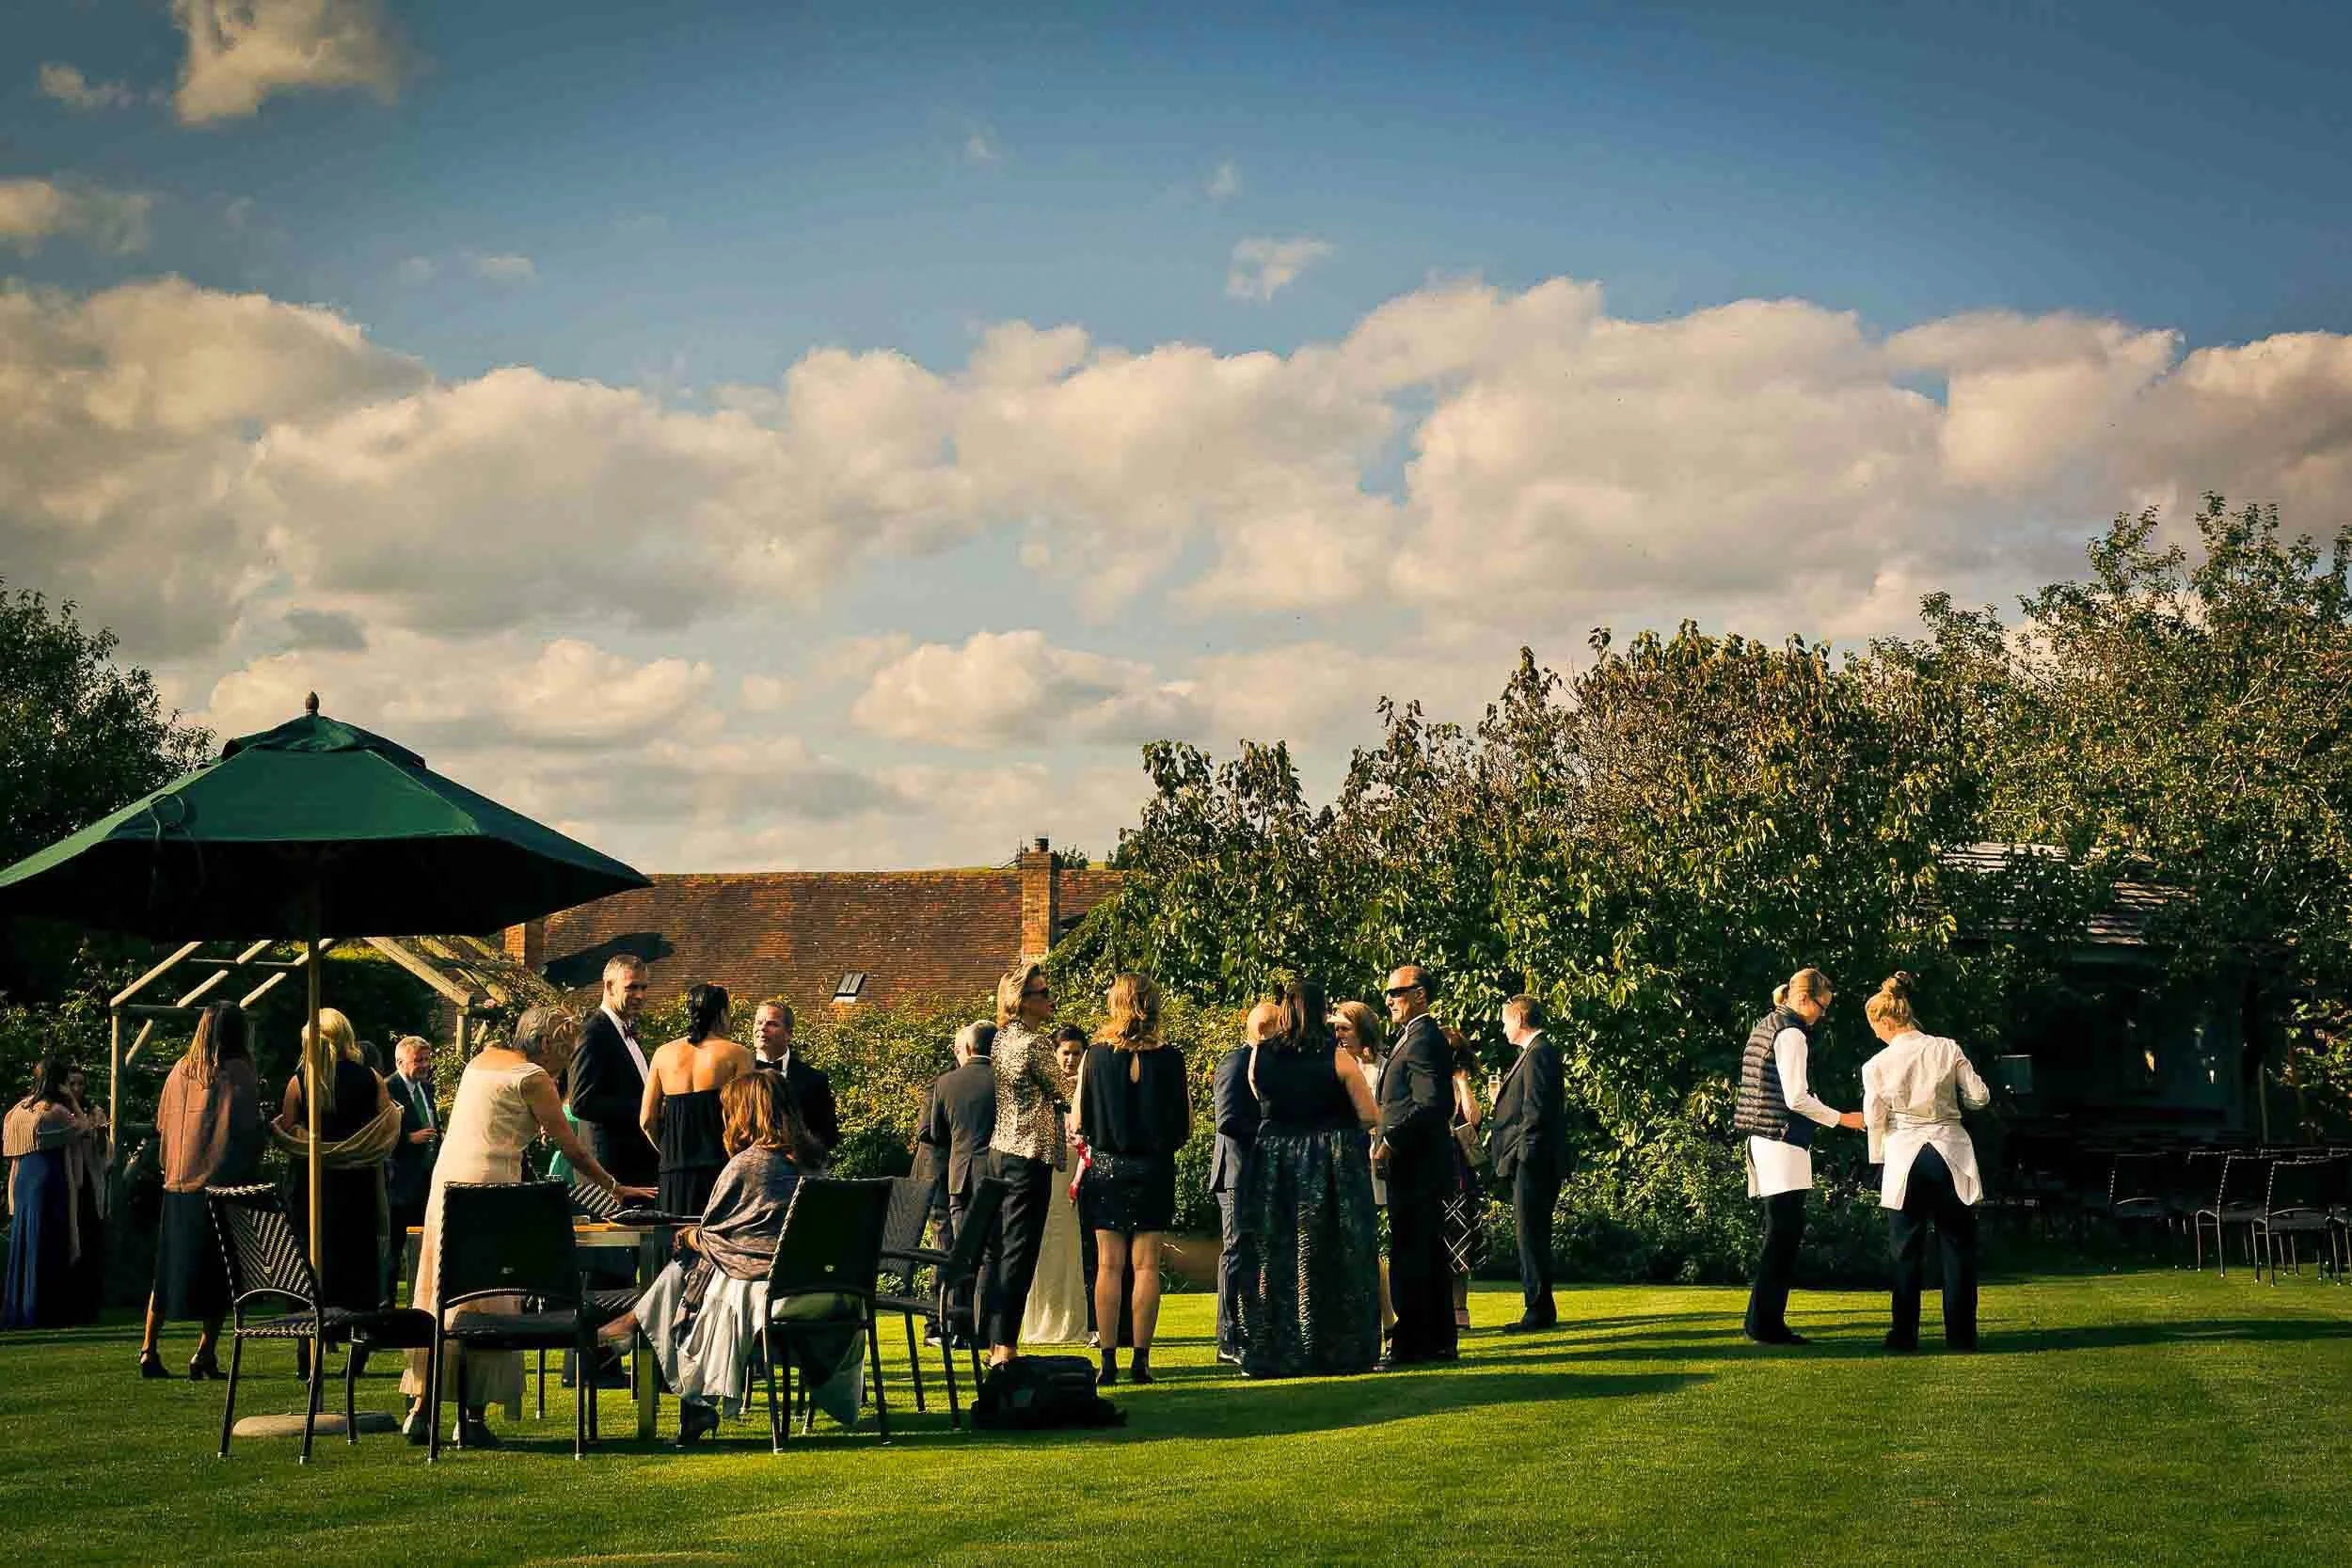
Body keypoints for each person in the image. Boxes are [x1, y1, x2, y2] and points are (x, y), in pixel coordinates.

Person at [401, 1006, 648, 1448]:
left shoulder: (480, 1060)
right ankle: (471, 1418)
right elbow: (572, 1148)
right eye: (565, 1054)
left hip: (447, 1183)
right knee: (488, 1295)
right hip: (493, 1187)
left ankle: (422, 1408)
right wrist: (616, 1187)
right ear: (551, 1046)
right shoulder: (532, 1077)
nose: (565, 1065)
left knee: (443, 1292)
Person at [596, 1071, 863, 1444]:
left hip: (775, 1289)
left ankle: (685, 1389)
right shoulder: (812, 1159)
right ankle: (644, 1339)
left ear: (746, 1114)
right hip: (829, 1288)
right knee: (699, 1269)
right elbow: (751, 1236)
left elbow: (720, 1235)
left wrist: (690, 1236)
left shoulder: (750, 1164)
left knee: (692, 1269)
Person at [1238, 979, 1381, 1379]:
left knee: (1275, 1255)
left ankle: (1273, 1345)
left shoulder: (1259, 1056)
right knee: (1333, 1251)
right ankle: (1334, 1346)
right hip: (1328, 1161)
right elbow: (1370, 1114)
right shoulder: (1337, 1058)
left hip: (1274, 1164)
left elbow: (1261, 1100)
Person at [1734, 967, 1865, 1347]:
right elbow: (1796, 1098)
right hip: (1782, 1139)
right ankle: (1766, 1324)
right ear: (1805, 999)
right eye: (1822, 1007)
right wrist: (1842, 1119)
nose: (1822, 1016)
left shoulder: (1767, 1024)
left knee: (1779, 1233)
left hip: (1765, 1139)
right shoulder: (1791, 1033)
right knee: (1783, 1235)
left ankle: (1760, 1320)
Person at [1861, 972, 1992, 1352]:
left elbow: (1873, 1119)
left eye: (1876, 1029)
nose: (1876, 1036)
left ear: (1886, 1021)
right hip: (1951, 1152)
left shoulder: (1876, 1065)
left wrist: (1879, 1156)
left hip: (1906, 1156)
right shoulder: (1947, 1049)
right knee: (1958, 1246)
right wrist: (1956, 1108)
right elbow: (1980, 1097)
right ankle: (1962, 1335)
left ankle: (1903, 1334)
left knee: (1904, 1249)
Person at [1073, 974, 1189, 1386]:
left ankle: (1107, 1361)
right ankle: (1141, 1360)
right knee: (1146, 1266)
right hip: (1155, 1166)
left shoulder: (1095, 1056)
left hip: (1107, 1166)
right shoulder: (1172, 1058)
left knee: (1108, 1265)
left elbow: (1079, 1119)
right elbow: (1185, 1123)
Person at [139, 1004, 262, 1379]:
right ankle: (205, 1351)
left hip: (177, 1181)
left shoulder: (181, 1069)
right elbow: (247, 1128)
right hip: (218, 1185)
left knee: (166, 1270)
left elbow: (162, 1122)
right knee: (222, 1273)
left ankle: (149, 1348)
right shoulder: (238, 1072)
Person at [274, 1006, 397, 1324]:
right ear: (346, 1037)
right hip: (358, 1186)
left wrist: (311, 1140)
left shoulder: (300, 1082)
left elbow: (287, 1128)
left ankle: (306, 1334)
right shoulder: (370, 1078)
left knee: (313, 1259)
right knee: (356, 1260)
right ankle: (358, 1340)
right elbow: (387, 1123)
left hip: (311, 1185)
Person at [984, 960, 1065, 1369]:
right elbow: (1063, 1090)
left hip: (1002, 1150)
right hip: (1029, 1154)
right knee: (1021, 1250)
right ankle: (1005, 1346)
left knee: (1002, 1250)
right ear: (1022, 1001)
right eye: (1043, 993)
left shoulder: (1001, 1039)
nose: (1050, 999)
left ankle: (994, 1340)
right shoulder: (1034, 1044)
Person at [1378, 965, 1457, 1368]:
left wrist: (1391, 1139)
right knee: (1422, 1251)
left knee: (1412, 1252)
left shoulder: (1424, 1039)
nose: (1388, 999)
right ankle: (1438, 1341)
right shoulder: (1412, 1037)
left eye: (1396, 991)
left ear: (1421, 995)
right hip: (1414, 1162)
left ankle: (1412, 1344)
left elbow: (1433, 1105)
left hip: (1417, 1163)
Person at [1486, 994, 1567, 1332]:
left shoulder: (1538, 1054)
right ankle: (1540, 1307)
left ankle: (1537, 1310)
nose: (1503, 1028)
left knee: (1530, 1235)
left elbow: (1536, 1111)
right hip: (1531, 1158)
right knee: (1530, 1234)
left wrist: (1524, 1157)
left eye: (1505, 1021)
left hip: (1533, 1161)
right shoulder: (1534, 1054)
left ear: (1519, 1020)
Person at [642, 983, 754, 1217]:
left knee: (673, 1243)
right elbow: (745, 1119)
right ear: (722, 1014)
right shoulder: (738, 1054)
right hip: (720, 1167)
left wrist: (667, 1152)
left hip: (673, 1170)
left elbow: (646, 1120)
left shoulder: (662, 1054)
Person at [5, 1056, 99, 1331]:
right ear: (59, 1083)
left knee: (25, 1239)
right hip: (49, 1177)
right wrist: (72, 1100)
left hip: (24, 1177)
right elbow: (83, 1127)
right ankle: (46, 1309)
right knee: (51, 1241)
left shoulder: (18, 1109)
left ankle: (21, 1308)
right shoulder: (54, 1110)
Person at [920, 1021, 997, 1344]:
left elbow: (933, 1133)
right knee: (990, 1254)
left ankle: (957, 1327)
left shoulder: (946, 1083)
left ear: (968, 1048)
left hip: (959, 1175)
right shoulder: (1006, 1082)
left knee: (959, 1253)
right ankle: (979, 1327)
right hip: (994, 1174)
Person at [1020, 1026, 1089, 1348]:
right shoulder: (1043, 1088)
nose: (1071, 1060)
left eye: (1077, 1053)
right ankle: (1042, 1322)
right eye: (1066, 1053)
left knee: (1074, 1247)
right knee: (1046, 1246)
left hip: (1079, 1176)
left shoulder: (1088, 1089)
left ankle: (1074, 1321)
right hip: (1050, 1174)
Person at [569, 953, 659, 1188]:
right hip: (609, 1172)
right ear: (609, 986)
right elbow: (581, 1102)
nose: (640, 995)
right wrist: (646, 1106)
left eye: (644, 988)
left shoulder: (626, 1030)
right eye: (631, 988)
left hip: (635, 1167)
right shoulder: (593, 1032)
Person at [1333, 999, 1393, 1338]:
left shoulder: (1380, 1069)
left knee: (1372, 1243)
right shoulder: (1332, 1065)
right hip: (1345, 1159)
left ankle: (1387, 1318)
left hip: (1374, 1159)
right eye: (1336, 1028)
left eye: (1345, 1028)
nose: (1339, 1034)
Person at [1209, 1006, 1263, 1366]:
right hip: (1236, 1173)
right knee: (1236, 1251)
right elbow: (1227, 1119)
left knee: (1253, 1253)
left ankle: (1254, 1330)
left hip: (1256, 1172)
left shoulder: (1268, 1064)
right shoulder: (1235, 1062)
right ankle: (1228, 1336)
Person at [1440, 1026, 1488, 1332]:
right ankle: (1441, 1308)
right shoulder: (1427, 1084)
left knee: (1461, 1246)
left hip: (1461, 1177)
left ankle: (1460, 1308)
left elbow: (1473, 1119)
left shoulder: (1459, 1087)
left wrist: (1462, 1081)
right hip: (1437, 1175)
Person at [384, 1037, 439, 1307]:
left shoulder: (427, 1090)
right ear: (400, 1062)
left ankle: (420, 1304)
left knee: (424, 1246)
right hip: (398, 1182)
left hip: (426, 1181)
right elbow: (378, 1135)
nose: (425, 1065)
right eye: (419, 1060)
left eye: (427, 1059)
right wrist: (409, 1138)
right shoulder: (386, 1089)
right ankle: (387, 1304)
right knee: (393, 1249)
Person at [753, 999, 840, 1162]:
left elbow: (829, 1135)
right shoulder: (738, 1073)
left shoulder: (814, 1080)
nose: (762, 1028)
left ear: (789, 1034)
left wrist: (804, 1152)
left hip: (798, 1170)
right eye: (758, 1022)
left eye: (772, 1024)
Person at [60, 1068, 109, 1324]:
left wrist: (100, 1133)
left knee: (89, 1244)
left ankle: (89, 1305)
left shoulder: (94, 1112)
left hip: (89, 1182)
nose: (77, 1088)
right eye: (72, 1083)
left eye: (81, 1084)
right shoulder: (58, 1113)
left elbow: (104, 1155)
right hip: (67, 1181)